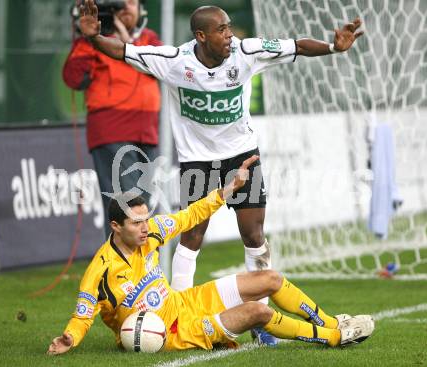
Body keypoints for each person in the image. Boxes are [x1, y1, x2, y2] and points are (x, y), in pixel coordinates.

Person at [76, 0, 364, 344]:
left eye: (229, 27)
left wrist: (334, 47)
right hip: (197, 161)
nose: (230, 35)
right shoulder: (173, 62)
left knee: (254, 235)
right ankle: (177, 312)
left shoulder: (247, 52)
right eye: (222, 30)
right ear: (201, 36)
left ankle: (260, 323)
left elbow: (297, 46)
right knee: (192, 236)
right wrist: (94, 38)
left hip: (243, 156)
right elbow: (125, 51)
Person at [47, 155, 374, 355]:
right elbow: (83, 315)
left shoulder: (152, 233)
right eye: (136, 223)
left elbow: (190, 215)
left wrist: (227, 191)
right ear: (116, 226)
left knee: (271, 279)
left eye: (146, 219)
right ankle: (333, 338)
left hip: (185, 304)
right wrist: (70, 338)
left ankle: (332, 320)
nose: (145, 227)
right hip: (172, 333)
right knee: (256, 314)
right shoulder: (100, 271)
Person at [63, 0, 162, 237]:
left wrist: (127, 39)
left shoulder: (148, 38)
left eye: (130, 2)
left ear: (141, 8)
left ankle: (138, 269)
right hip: (112, 129)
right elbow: (73, 78)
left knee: (144, 205)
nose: (125, 8)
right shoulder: (93, 40)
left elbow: (160, 67)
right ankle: (121, 269)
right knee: (127, 206)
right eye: (119, 3)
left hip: (147, 130)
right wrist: (90, 38)